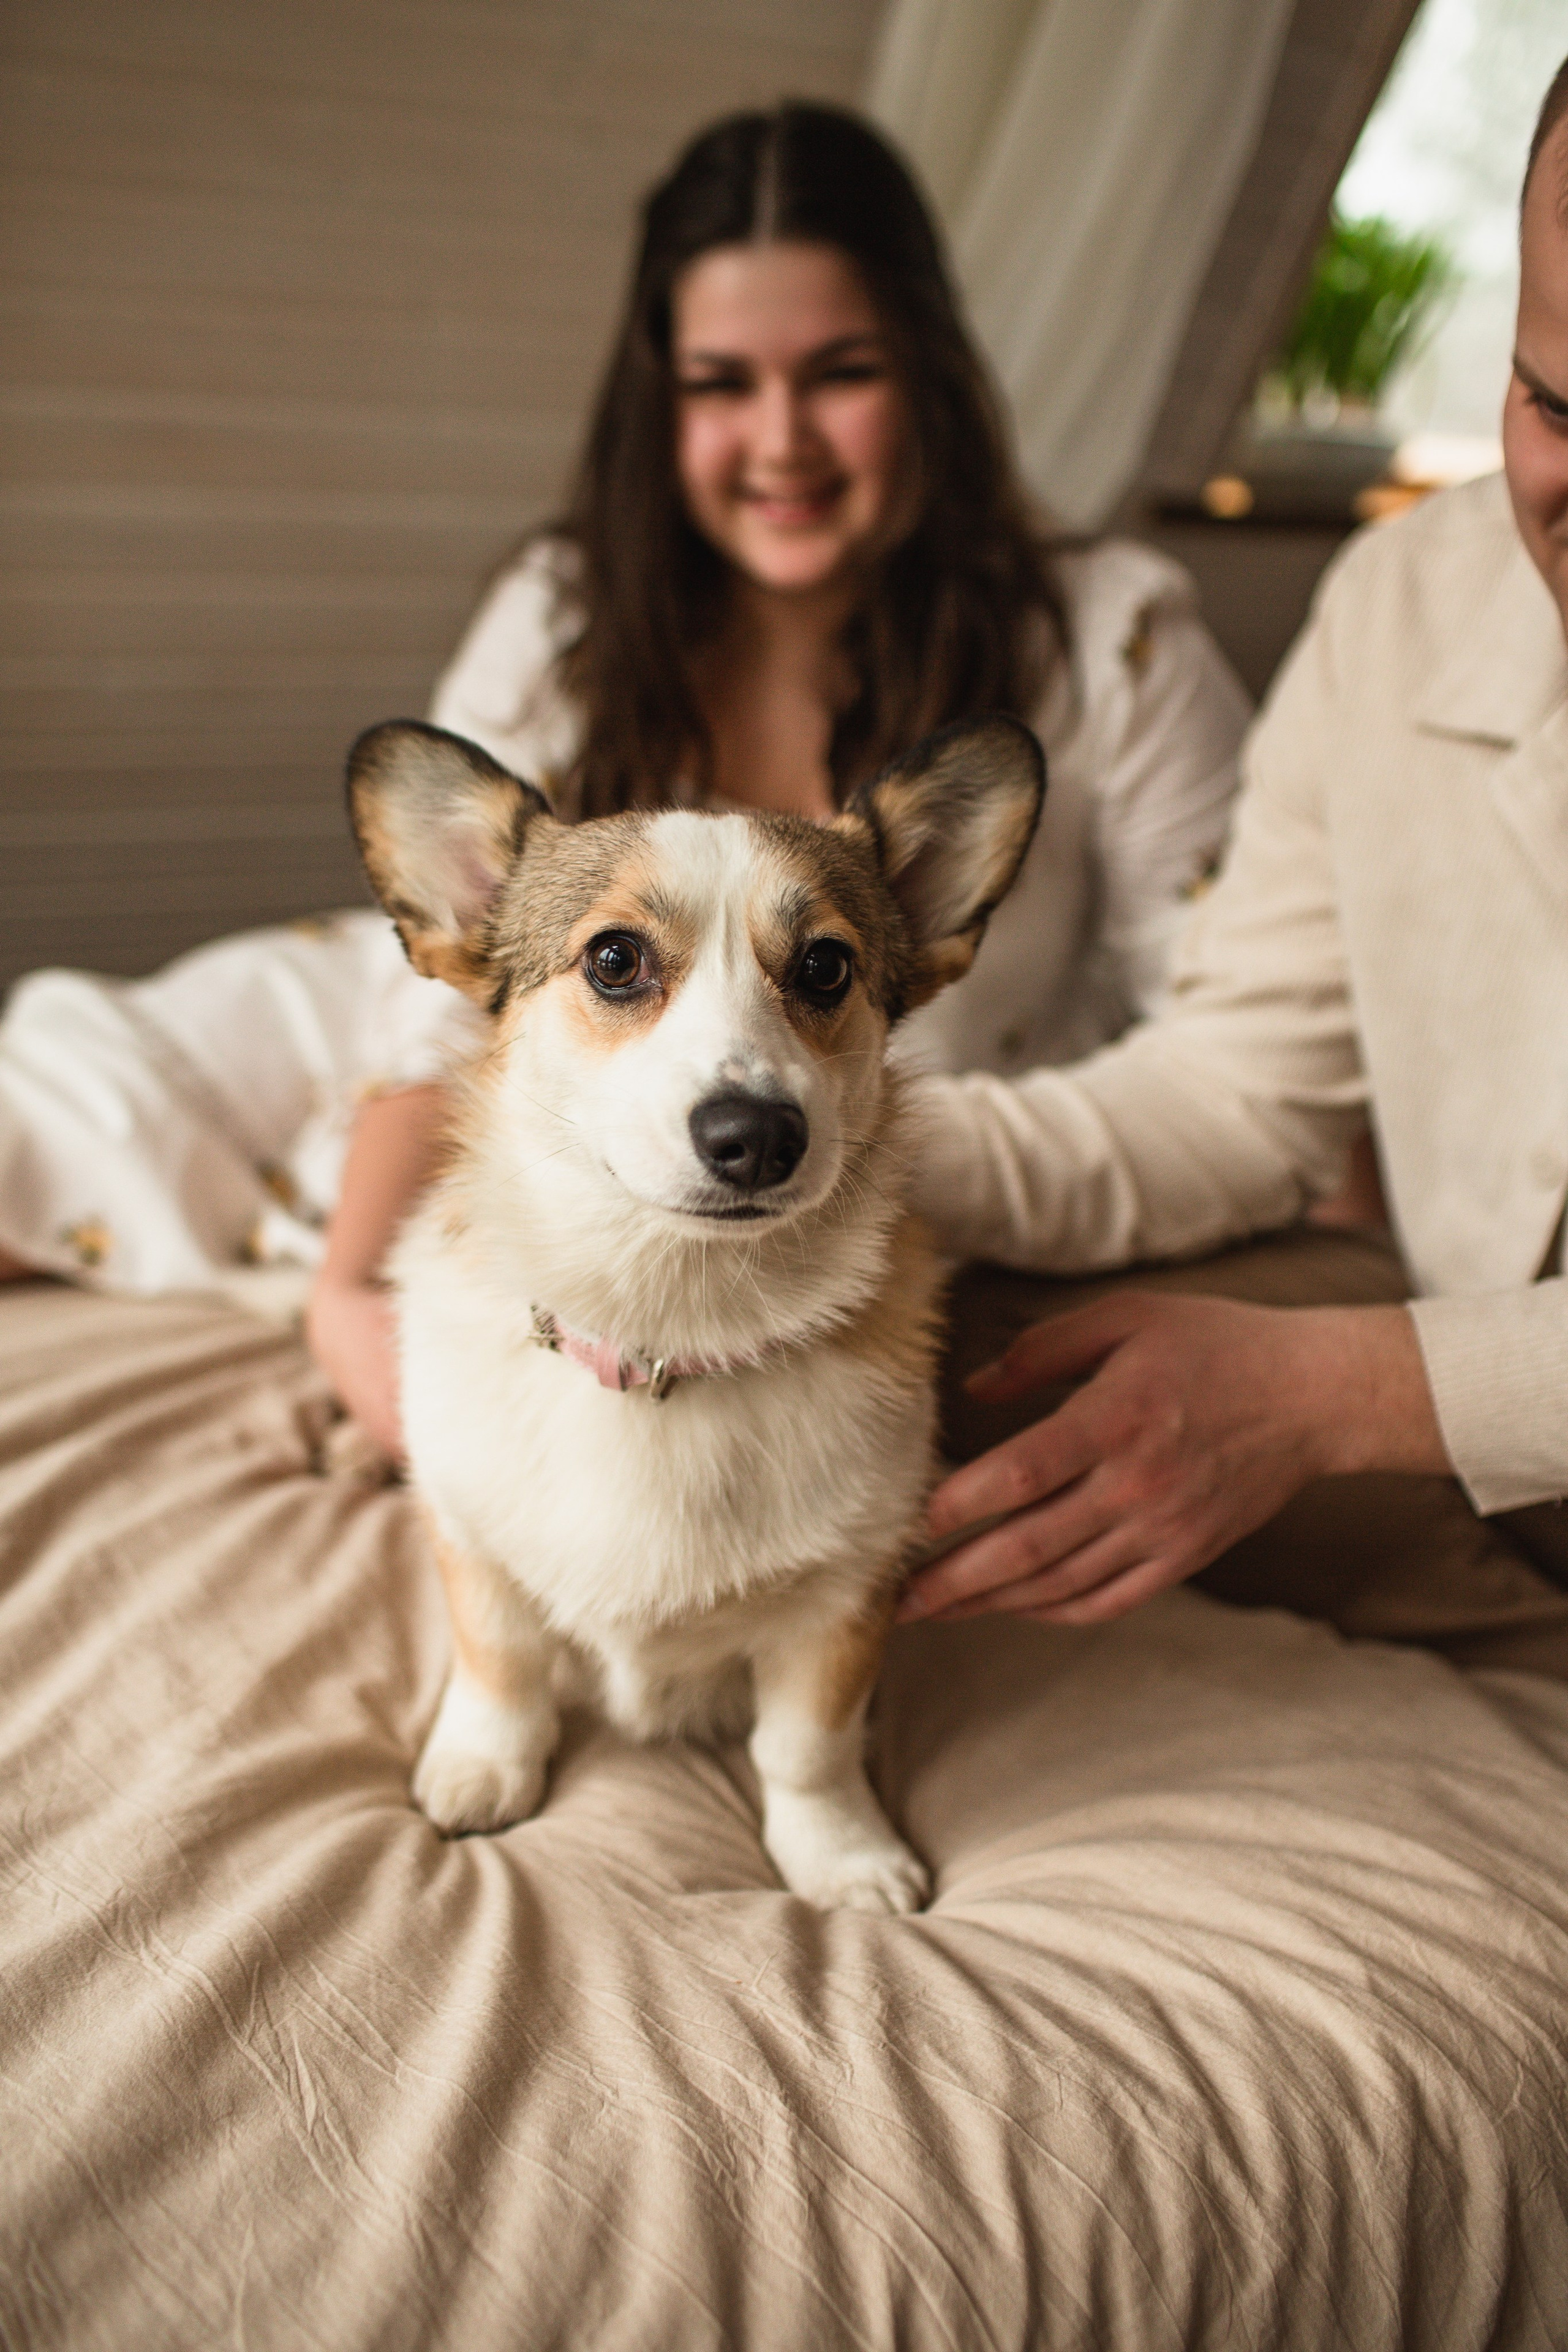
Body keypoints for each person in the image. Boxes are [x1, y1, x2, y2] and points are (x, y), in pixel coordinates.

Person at [0, 104, 1251, 1461]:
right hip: (429, 1057)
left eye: (841, 373)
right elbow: (433, 1015)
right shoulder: (564, 612)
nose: (781, 440)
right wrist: (353, 1291)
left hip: (804, 1169)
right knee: (60, 1097)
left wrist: (861, 1138)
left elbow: (1248, 1068)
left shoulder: (1118, 642)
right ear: (659, 404)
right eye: (721, 384)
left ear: (932, 378)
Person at [896, 53, 1568, 1662]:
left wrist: (1337, 1394)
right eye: (1556, 403)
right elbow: (1238, 1098)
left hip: (1439, 1411)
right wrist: (845, 1151)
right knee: (937, 1348)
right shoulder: (1405, 603)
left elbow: (1343, 1379)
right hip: (1485, 1459)